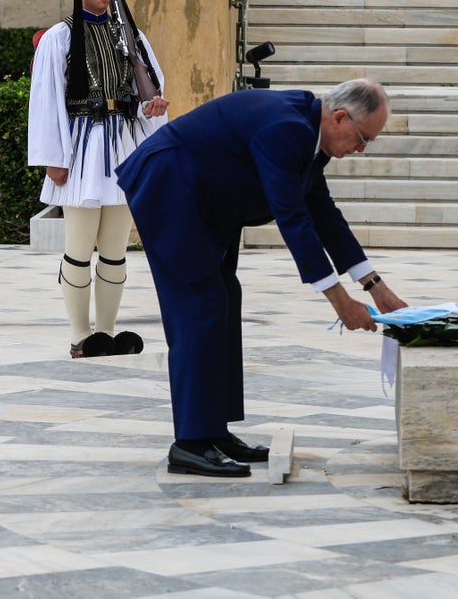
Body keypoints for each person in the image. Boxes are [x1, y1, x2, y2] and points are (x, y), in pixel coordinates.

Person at [115, 80, 408, 478]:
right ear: (340, 117)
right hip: (171, 187)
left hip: (206, 200)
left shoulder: (309, 130)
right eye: (362, 138)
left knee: (223, 299)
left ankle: (212, 429)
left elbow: (322, 212)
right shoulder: (288, 128)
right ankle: (190, 443)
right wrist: (340, 301)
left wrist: (376, 287)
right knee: (199, 306)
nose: (361, 149)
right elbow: (292, 217)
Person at [28, 0, 169, 359]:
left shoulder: (130, 36)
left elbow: (145, 92)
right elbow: (46, 100)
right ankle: (79, 335)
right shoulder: (60, 36)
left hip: (121, 146)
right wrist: (53, 156)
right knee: (79, 246)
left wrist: (151, 109)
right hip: (83, 148)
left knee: (114, 249)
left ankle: (105, 333)